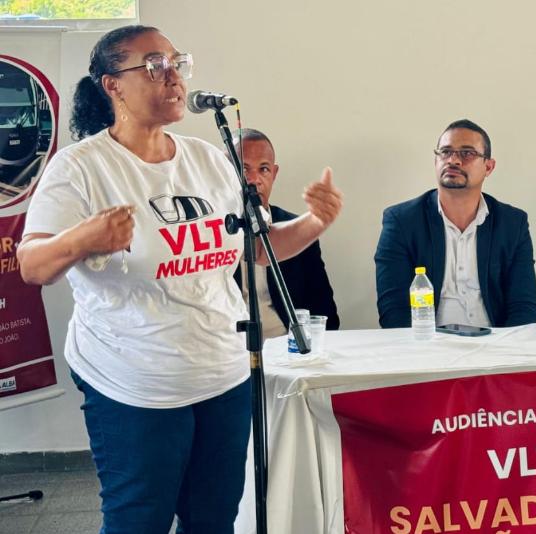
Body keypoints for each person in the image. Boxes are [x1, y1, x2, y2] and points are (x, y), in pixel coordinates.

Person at [17, 25, 342, 533]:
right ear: (113, 85)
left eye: (176, 63)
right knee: (139, 519)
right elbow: (32, 265)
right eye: (154, 66)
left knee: (213, 519)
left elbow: (257, 249)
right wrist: (81, 239)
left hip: (223, 376)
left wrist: (314, 222)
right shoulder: (80, 168)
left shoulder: (207, 159)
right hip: (133, 383)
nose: (172, 77)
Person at [374, 119, 536, 328]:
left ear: (488, 167)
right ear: (435, 161)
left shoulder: (512, 223)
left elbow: (524, 306)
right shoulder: (402, 221)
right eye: (445, 152)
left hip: (495, 341)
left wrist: (504, 345)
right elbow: (393, 311)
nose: (453, 160)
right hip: (427, 342)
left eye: (467, 153)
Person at [231, 128, 340, 335]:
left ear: (274, 174)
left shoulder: (297, 230)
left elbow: (325, 312)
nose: (254, 180)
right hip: (229, 346)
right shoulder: (208, 230)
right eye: (244, 169)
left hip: (286, 344)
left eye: (264, 169)